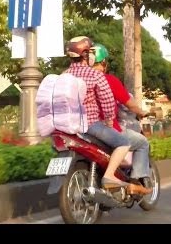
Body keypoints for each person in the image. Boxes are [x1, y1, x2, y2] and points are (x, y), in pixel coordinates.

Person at [64, 36, 139, 193]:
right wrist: (109, 121)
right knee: (123, 142)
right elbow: (107, 102)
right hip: (90, 125)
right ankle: (110, 176)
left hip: (66, 125)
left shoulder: (64, 75)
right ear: (87, 55)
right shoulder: (95, 75)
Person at [91, 43, 152, 195]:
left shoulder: (78, 79)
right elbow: (130, 104)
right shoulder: (109, 80)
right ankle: (134, 181)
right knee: (142, 142)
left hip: (82, 128)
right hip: (105, 128)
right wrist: (141, 112)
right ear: (104, 62)